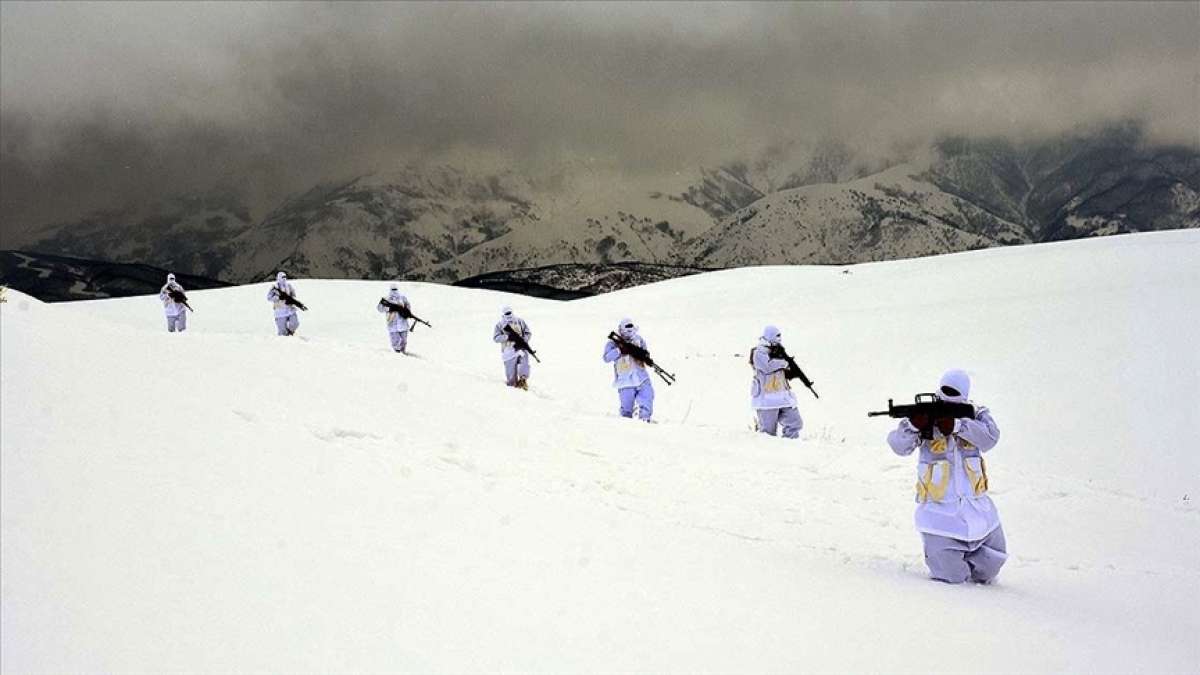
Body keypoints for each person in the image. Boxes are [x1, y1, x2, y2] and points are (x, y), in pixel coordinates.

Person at [887, 369, 1006, 584]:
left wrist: (958, 426)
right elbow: (898, 445)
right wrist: (914, 426)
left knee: (990, 568)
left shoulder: (976, 414)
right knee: (951, 576)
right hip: (939, 513)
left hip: (978, 509)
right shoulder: (924, 414)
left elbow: (990, 438)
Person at [749, 325, 803, 438]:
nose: (779, 339)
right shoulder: (758, 352)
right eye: (776, 336)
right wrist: (784, 363)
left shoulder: (779, 351)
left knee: (795, 423)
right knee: (768, 434)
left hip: (783, 396)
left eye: (780, 336)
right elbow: (767, 367)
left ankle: (791, 448)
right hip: (767, 400)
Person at [603, 318, 655, 422]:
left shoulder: (639, 339)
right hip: (625, 381)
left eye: (631, 330)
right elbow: (606, 358)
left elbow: (645, 352)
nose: (629, 333)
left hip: (642, 377)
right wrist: (620, 350)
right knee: (626, 412)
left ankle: (645, 421)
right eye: (626, 330)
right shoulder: (613, 343)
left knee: (647, 399)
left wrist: (645, 356)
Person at [492, 306, 532, 389]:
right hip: (508, 352)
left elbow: (528, 332)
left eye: (509, 313)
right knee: (511, 375)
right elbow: (496, 338)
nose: (508, 315)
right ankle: (512, 388)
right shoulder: (499, 325)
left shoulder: (520, 321)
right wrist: (507, 337)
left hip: (521, 348)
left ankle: (523, 380)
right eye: (506, 313)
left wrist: (524, 340)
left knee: (524, 363)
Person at [376, 283, 411, 353]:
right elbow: (379, 308)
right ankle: (397, 353)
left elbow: (408, 306)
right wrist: (389, 309)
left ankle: (403, 352)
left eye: (395, 289)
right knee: (395, 340)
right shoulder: (386, 299)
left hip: (403, 323)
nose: (394, 291)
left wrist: (405, 310)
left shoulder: (403, 298)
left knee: (404, 341)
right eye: (393, 289)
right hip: (392, 322)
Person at [266, 271, 300, 336]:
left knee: (295, 323)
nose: (284, 278)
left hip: (290, 309)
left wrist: (291, 299)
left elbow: (293, 294)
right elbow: (269, 297)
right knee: (282, 332)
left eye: (285, 277)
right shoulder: (275, 287)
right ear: (279, 278)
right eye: (282, 277)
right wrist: (278, 297)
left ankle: (290, 332)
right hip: (280, 312)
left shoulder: (289, 286)